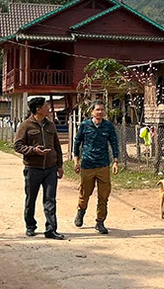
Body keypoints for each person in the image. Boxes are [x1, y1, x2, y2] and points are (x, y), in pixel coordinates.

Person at [13, 97, 65, 240]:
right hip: (33, 169)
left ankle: (51, 229)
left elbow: (57, 146)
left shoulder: (51, 125)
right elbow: (17, 146)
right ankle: (30, 226)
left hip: (50, 168)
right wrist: (34, 150)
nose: (48, 108)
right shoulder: (25, 125)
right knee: (31, 199)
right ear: (38, 109)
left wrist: (60, 166)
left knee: (50, 200)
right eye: (46, 105)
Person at [73, 100, 119, 234]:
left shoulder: (108, 126)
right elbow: (77, 143)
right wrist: (76, 161)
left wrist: (115, 161)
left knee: (103, 196)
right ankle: (81, 212)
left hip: (103, 165)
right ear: (92, 111)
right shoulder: (85, 125)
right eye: (97, 109)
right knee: (85, 193)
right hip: (87, 164)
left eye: (102, 110)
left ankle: (100, 222)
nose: (100, 112)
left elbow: (114, 143)